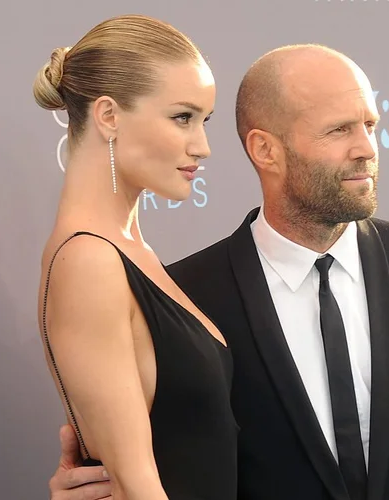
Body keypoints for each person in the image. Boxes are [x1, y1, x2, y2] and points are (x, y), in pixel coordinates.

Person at [49, 44, 389, 499]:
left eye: (370, 124)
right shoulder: (187, 299)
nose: (367, 146)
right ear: (265, 150)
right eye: (339, 130)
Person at [34, 14, 237, 500]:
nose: (203, 146)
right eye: (182, 117)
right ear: (108, 115)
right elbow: (135, 484)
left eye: (203, 121)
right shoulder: (89, 261)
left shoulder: (130, 252)